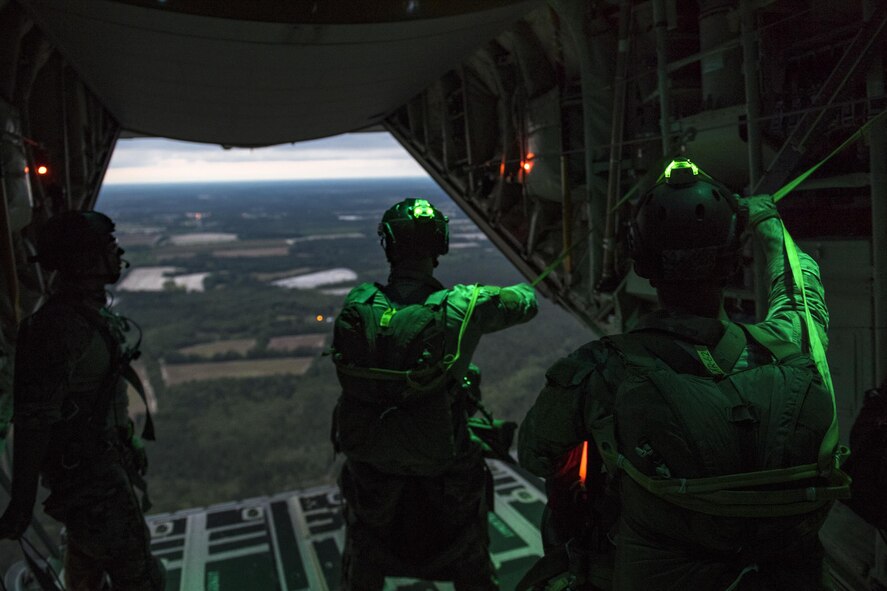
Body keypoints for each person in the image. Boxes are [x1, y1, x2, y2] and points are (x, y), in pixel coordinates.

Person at [518, 159, 850, 590]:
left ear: (642, 265)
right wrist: (766, 219)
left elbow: (536, 454)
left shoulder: (601, 370)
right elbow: (800, 290)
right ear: (733, 262)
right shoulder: (790, 347)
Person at [330, 198, 537, 590]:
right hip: (446, 475)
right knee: (470, 559)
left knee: (364, 554)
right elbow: (527, 302)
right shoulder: (463, 306)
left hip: (370, 473)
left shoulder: (358, 304)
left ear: (389, 244)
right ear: (439, 244)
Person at [0, 210, 163, 591]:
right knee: (142, 579)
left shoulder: (81, 315)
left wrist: (127, 440)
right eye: (108, 245)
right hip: (92, 480)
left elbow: (93, 400)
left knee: (86, 570)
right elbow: (33, 420)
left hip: (96, 471)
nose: (117, 252)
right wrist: (22, 504)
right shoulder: (59, 328)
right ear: (84, 259)